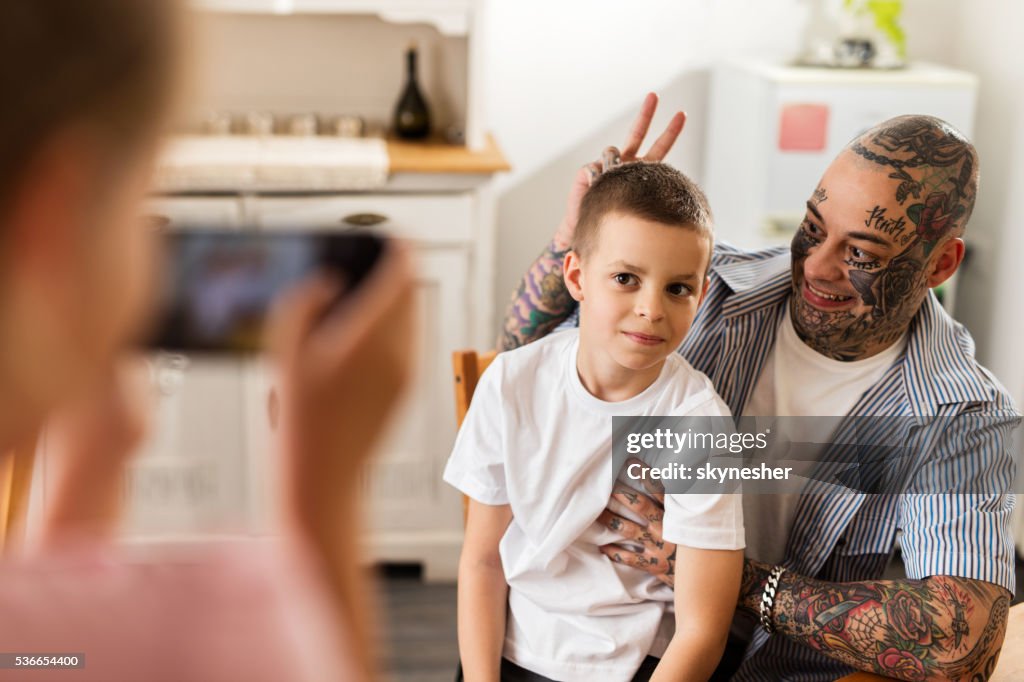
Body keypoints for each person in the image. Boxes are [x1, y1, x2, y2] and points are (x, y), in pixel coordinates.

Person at [501, 93, 1017, 681]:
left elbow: (963, 642)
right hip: (603, 641)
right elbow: (523, 359)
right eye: (813, 228)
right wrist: (577, 237)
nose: (818, 267)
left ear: (940, 266)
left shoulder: (963, 416)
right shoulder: (699, 290)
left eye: (861, 252)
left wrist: (727, 578)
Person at [0, 1, 414, 680]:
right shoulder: (213, 622)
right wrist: (323, 494)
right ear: (60, 220)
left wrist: (88, 474)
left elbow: (44, 656)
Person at [446, 162, 745, 682]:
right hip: (514, 642)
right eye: (626, 279)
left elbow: (702, 629)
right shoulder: (511, 381)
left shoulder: (701, 424)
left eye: (678, 288)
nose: (651, 309)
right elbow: (482, 562)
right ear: (578, 277)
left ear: (699, 294)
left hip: (640, 661)